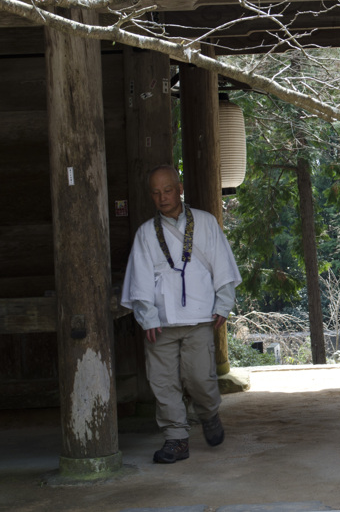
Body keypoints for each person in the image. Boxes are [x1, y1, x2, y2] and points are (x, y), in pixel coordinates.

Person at [121, 165, 242, 464]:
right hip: (161, 321)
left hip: (199, 316)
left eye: (168, 190)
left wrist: (222, 305)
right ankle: (176, 438)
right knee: (163, 382)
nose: (162, 198)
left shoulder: (205, 222)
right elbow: (140, 278)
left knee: (200, 378)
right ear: (151, 195)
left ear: (180, 188)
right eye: (156, 193)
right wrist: (146, 317)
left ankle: (209, 413)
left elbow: (222, 266)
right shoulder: (146, 233)